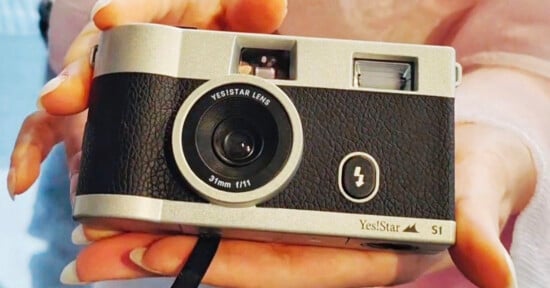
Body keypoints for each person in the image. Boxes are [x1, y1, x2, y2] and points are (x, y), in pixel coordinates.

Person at [8, 0, 550, 287]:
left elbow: (532, 30)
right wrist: (118, 45)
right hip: (117, 145)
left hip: (412, 248)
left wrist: (496, 118)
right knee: (93, 240)